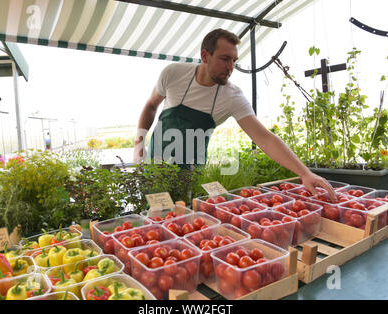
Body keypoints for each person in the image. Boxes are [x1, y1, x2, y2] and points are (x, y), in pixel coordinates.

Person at [133, 28, 336, 200]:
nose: (231, 67)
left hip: (191, 175)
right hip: (155, 166)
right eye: (224, 59)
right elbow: (151, 106)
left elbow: (265, 138)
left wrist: (304, 172)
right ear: (205, 56)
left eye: (234, 60)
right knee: (152, 221)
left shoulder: (231, 96)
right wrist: (138, 146)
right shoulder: (174, 74)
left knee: (181, 223)